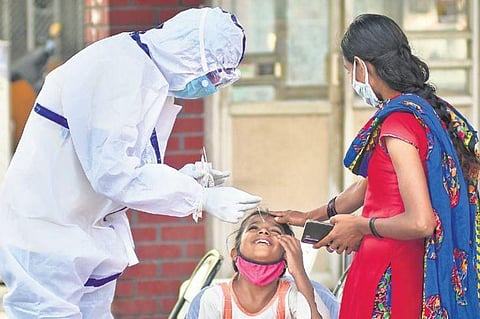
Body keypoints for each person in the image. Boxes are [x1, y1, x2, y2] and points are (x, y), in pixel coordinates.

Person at [0, 7, 262, 319]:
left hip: (82, 230)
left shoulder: (147, 75)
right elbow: (113, 174)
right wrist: (199, 198)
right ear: (191, 53)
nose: (211, 84)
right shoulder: (116, 70)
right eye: (214, 73)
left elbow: (129, 164)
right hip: (47, 232)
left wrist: (184, 179)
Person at [271, 13, 480, 319]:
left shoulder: (398, 125)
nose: (352, 80)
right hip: (401, 260)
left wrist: (359, 226)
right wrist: (313, 215)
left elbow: (421, 222)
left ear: (361, 65)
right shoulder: (423, 111)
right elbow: (374, 184)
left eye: (348, 71)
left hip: (390, 268)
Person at [186, 209, 338, 319]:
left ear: (286, 256)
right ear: (235, 254)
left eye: (275, 231)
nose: (264, 231)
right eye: (254, 228)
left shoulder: (292, 295)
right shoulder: (214, 298)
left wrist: (298, 271)